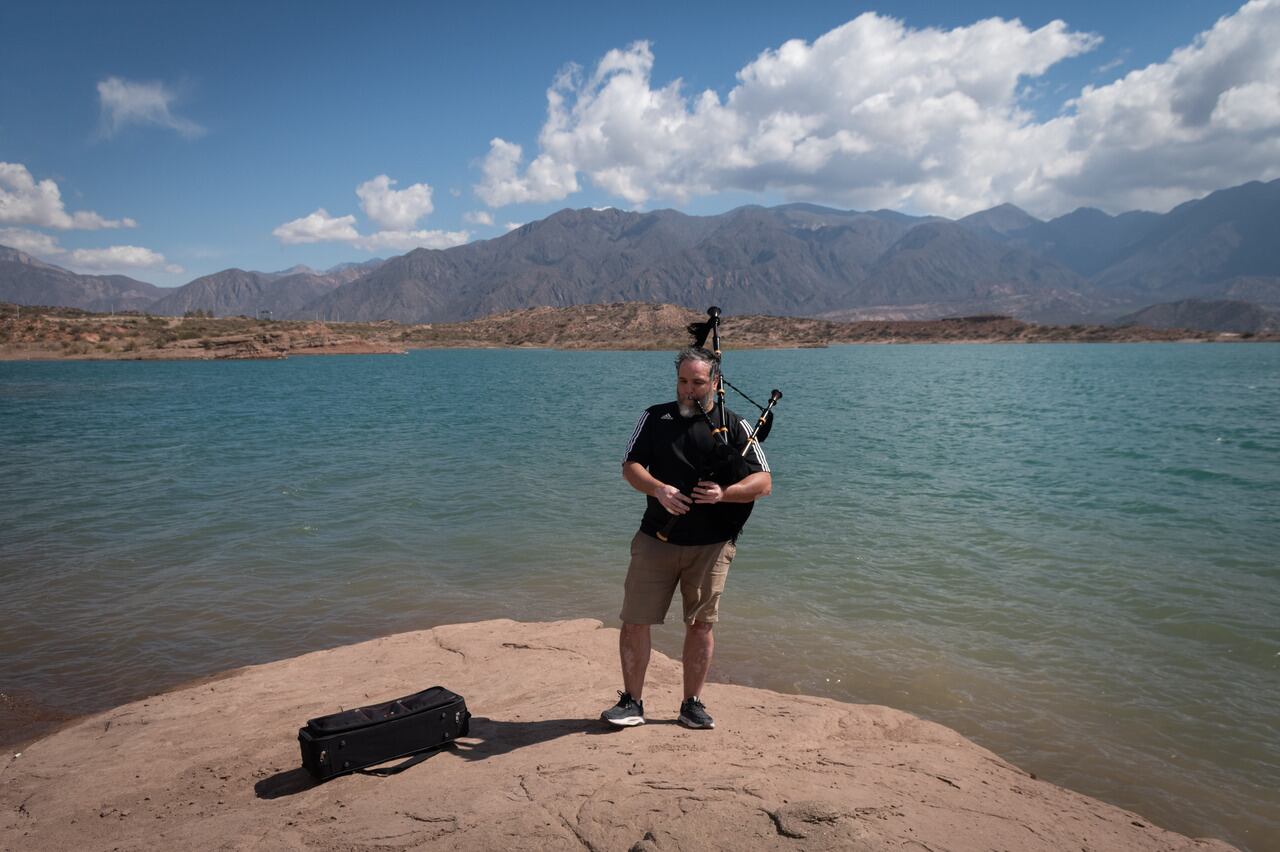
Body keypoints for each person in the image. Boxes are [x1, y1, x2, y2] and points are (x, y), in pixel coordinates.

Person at [601, 346, 772, 730]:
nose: (688, 390)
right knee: (635, 622)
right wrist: (658, 489)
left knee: (701, 624)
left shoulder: (735, 424)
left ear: (715, 381)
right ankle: (632, 702)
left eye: (697, 382)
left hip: (712, 545)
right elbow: (630, 467)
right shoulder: (654, 418)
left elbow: (764, 482)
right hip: (655, 540)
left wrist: (724, 494)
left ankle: (691, 704)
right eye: (682, 381)